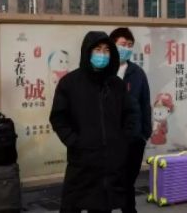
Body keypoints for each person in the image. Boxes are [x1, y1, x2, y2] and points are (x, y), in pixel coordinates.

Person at [50, 31, 134, 213]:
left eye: (106, 50)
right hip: (82, 162)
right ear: (87, 51)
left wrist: (123, 141)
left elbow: (130, 114)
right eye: (97, 49)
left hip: (110, 163)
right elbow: (58, 117)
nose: (102, 55)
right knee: (72, 205)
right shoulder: (69, 83)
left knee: (102, 207)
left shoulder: (116, 84)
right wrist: (74, 141)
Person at [110, 27, 151, 213]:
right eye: (122, 44)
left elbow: (145, 104)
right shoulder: (103, 72)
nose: (125, 48)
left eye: (129, 45)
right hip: (108, 139)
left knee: (128, 183)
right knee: (107, 183)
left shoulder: (137, 73)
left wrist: (144, 134)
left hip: (134, 140)